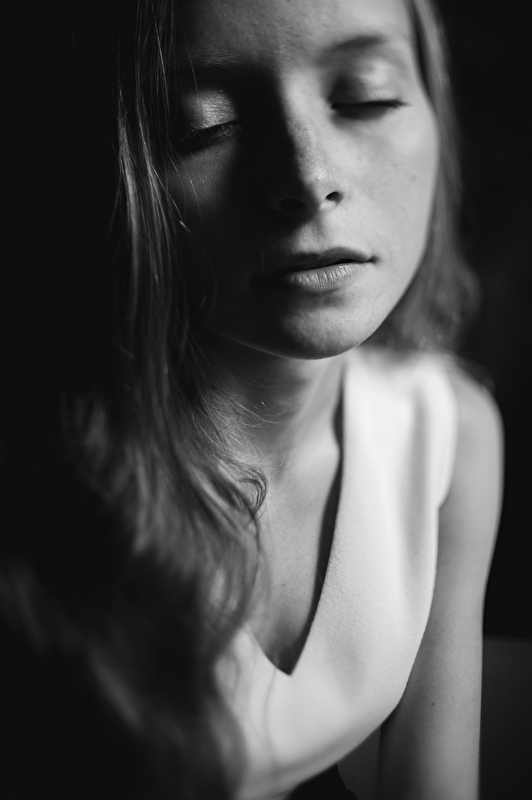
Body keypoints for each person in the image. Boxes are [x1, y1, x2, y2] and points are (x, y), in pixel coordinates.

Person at [1, 0, 503, 798]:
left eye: (365, 96)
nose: (309, 179)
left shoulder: (448, 433)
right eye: (205, 124)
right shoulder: (45, 498)